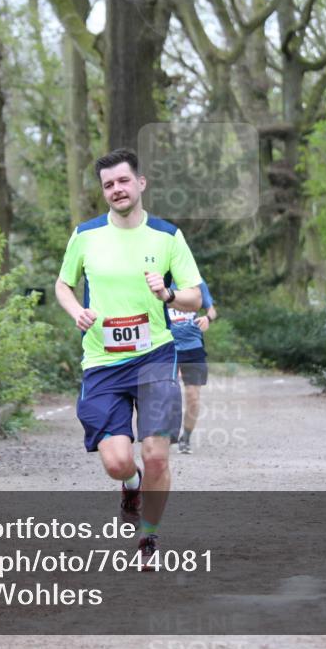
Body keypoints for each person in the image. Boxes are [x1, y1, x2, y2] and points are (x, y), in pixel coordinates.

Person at [54, 147, 202, 566]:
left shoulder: (167, 236)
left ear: (140, 183)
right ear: (103, 192)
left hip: (155, 355)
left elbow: (193, 295)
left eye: (123, 181)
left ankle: (149, 537)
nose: (116, 189)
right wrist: (76, 311)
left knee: (156, 454)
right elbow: (63, 285)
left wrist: (169, 293)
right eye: (108, 185)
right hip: (102, 361)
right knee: (119, 462)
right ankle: (130, 485)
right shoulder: (85, 235)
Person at [168, 281, 217, 453]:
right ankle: (165, 435)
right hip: (166, 349)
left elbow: (212, 310)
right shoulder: (159, 280)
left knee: (193, 398)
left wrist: (207, 318)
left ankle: (186, 438)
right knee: (164, 395)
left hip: (193, 348)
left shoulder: (196, 283)